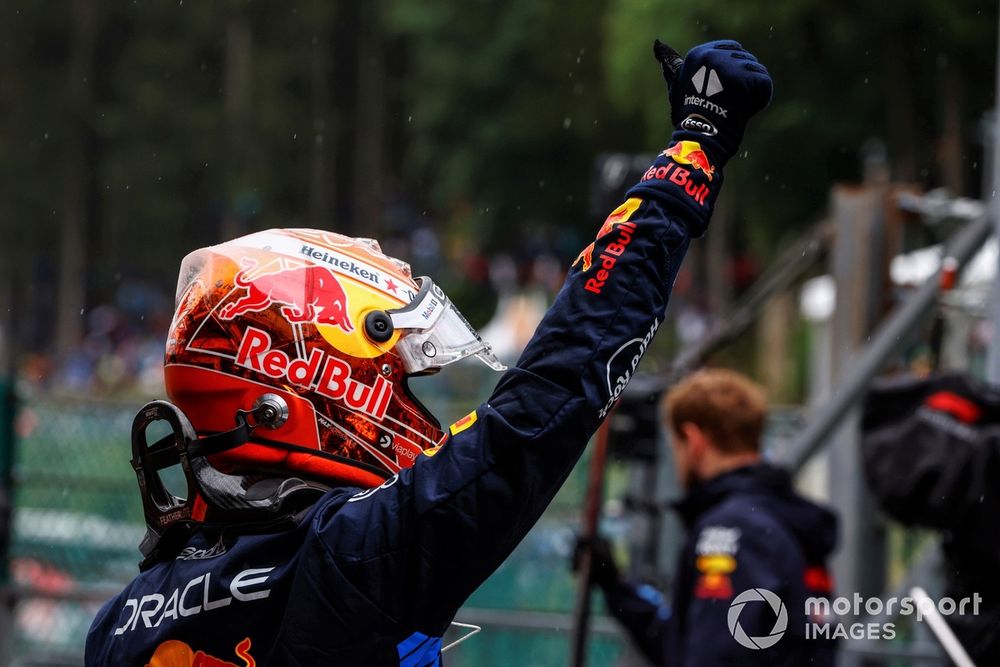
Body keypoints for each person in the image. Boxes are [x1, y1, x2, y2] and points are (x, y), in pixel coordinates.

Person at [85, 39, 773, 666]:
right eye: (396, 374)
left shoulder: (120, 621)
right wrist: (693, 154)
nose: (406, 399)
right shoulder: (343, 560)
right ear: (309, 376)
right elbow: (544, 401)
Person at [581, 369, 838, 666]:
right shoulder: (786, 520)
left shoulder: (733, 530)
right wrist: (616, 586)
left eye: (676, 447)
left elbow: (715, 656)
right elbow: (685, 645)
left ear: (693, 440)